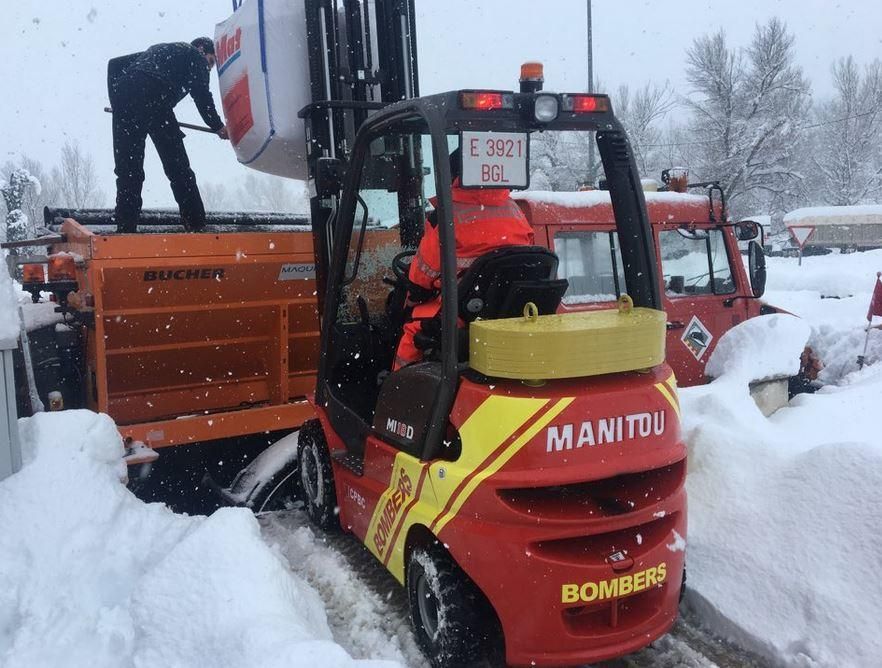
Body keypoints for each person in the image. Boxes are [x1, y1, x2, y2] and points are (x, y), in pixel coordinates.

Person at [393, 148, 535, 370]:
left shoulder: (446, 215)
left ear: (454, 176)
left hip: (463, 314)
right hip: (505, 309)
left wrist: (408, 301)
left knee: (413, 329)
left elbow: (422, 275)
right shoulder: (514, 210)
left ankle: (401, 393)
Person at [107, 37, 228, 233]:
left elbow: (115, 65)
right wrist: (219, 126)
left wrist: (119, 104)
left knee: (128, 169)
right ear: (201, 48)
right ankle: (196, 223)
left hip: (125, 98)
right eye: (211, 62)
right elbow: (202, 94)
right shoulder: (194, 55)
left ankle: (125, 227)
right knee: (178, 166)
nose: (209, 69)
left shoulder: (161, 51)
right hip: (155, 98)